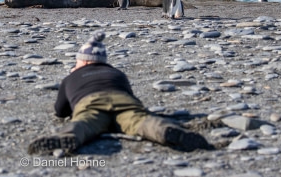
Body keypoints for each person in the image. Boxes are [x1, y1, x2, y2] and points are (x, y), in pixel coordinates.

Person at [28, 30, 213, 155]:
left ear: (83, 61)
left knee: (84, 123)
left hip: (90, 103)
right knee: (140, 121)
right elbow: (131, 95)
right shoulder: (116, 73)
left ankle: (68, 136)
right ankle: (165, 130)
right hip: (124, 101)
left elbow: (60, 110)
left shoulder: (71, 78)